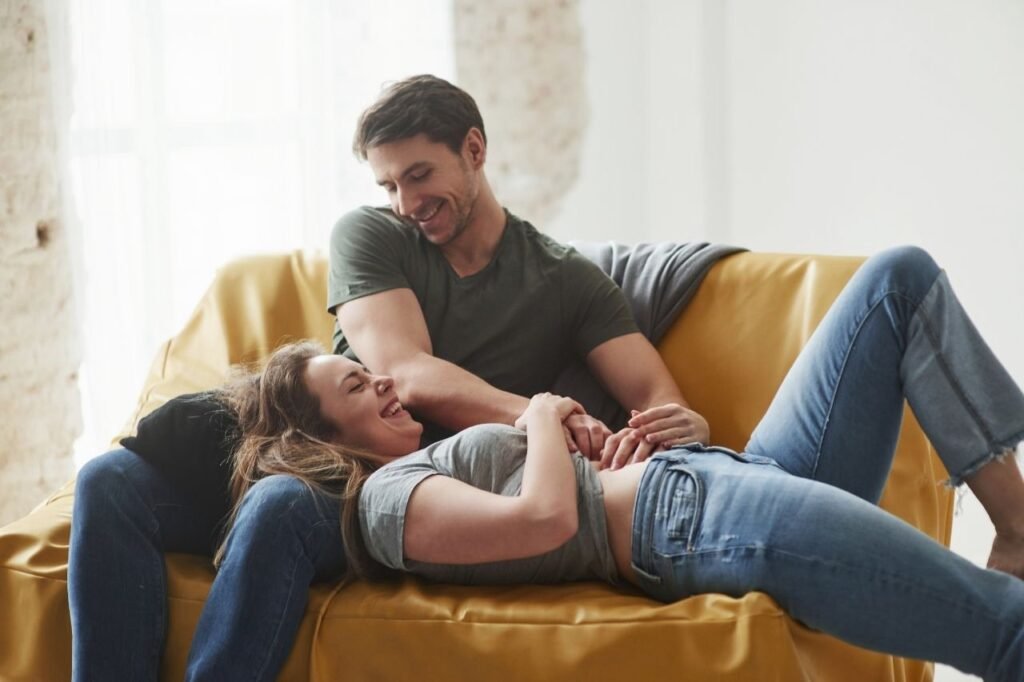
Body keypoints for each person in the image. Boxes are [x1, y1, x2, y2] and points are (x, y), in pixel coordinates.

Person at [312, 245, 1024, 679]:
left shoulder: (430, 456)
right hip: (689, 521)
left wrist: (626, 435)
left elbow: (560, 486)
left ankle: (1016, 527)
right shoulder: (383, 503)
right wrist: (539, 412)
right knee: (1005, 628)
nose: (378, 378)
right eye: (353, 384)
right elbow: (546, 518)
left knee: (898, 280)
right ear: (324, 438)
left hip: (722, 473)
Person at [330, 74, 715, 468]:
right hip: (347, 478)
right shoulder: (367, 235)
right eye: (389, 187)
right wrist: (544, 415)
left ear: (474, 150)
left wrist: (690, 428)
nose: (406, 205)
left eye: (418, 176)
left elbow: (656, 397)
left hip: (476, 492)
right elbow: (404, 374)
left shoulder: (566, 279)